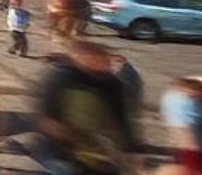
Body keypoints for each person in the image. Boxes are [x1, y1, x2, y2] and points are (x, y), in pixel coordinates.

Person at [34, 40, 138, 175]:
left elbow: (122, 118)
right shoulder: (61, 78)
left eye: (106, 60)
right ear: (84, 59)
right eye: (100, 60)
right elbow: (45, 116)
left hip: (100, 154)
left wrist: (128, 147)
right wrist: (60, 132)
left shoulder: (112, 84)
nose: (106, 65)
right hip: (62, 153)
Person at [161, 78, 202, 174]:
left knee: (181, 159)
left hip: (178, 134)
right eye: (197, 91)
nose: (198, 94)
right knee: (192, 163)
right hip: (188, 136)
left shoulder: (170, 97)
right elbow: (198, 117)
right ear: (189, 88)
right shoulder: (187, 101)